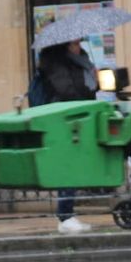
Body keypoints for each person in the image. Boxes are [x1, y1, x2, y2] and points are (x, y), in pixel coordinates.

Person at [34, 40, 97, 233]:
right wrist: (86, 91)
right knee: (67, 164)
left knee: (73, 164)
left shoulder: (83, 60)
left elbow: (89, 90)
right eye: (74, 43)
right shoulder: (55, 63)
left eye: (79, 41)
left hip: (80, 117)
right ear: (65, 45)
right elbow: (65, 91)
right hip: (62, 119)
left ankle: (67, 214)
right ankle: (65, 215)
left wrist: (95, 81)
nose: (79, 45)